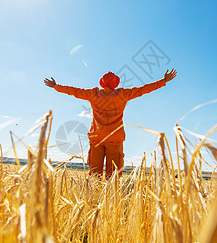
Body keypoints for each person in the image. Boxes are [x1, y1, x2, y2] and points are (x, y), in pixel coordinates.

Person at [44, 68, 177, 178]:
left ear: (102, 82)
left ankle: (95, 202)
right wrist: (163, 81)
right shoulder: (123, 94)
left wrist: (56, 86)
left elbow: (73, 91)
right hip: (115, 138)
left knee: (95, 174)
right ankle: (112, 202)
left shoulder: (93, 94)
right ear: (115, 83)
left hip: (96, 138)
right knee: (113, 175)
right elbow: (143, 89)